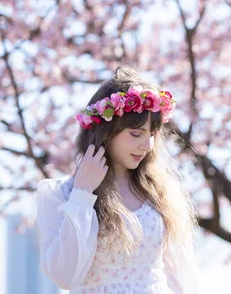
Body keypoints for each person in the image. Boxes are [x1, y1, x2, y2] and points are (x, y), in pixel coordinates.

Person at [36, 66, 200, 293]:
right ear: (106, 131)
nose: (147, 146)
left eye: (152, 135)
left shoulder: (159, 192)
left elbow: (181, 276)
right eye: (135, 134)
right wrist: (82, 195)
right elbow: (65, 276)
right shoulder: (60, 193)